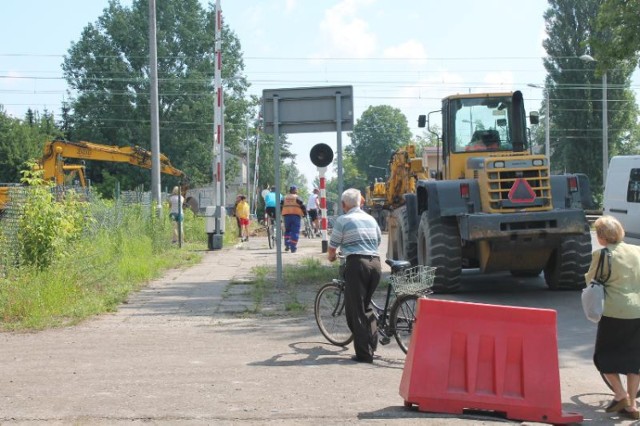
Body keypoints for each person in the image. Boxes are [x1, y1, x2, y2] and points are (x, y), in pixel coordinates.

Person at [587, 215, 640, 420]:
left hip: (615, 312)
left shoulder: (603, 255)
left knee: (604, 356)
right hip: (638, 311)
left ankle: (620, 395)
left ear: (601, 237)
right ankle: (633, 406)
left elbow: (591, 279)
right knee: (634, 359)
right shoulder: (637, 250)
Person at [327, 188, 382, 363]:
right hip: (375, 264)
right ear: (360, 202)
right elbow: (378, 240)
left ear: (344, 205)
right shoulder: (371, 219)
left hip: (357, 265)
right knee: (366, 307)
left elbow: (332, 247)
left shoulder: (343, 220)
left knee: (355, 311)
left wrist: (332, 257)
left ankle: (364, 355)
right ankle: (371, 344)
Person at [280, 185, 306, 253]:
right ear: (295, 190)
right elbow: (302, 206)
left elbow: (281, 206)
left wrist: (281, 213)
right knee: (295, 232)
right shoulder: (297, 197)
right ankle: (293, 247)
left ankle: (287, 244)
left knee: (287, 231)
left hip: (286, 216)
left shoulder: (284, 197)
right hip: (295, 216)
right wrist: (305, 214)